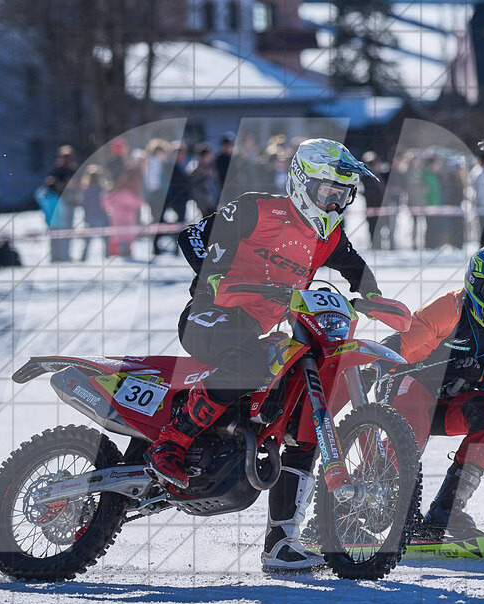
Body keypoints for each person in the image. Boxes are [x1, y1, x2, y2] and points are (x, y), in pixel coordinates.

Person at [151, 139, 407, 571]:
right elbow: (192, 236)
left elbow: (355, 267)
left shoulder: (327, 236)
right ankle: (169, 445)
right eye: (329, 191)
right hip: (210, 315)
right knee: (250, 361)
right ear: (302, 182)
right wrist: (214, 276)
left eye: (344, 194)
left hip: (256, 327)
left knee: (302, 416)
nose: (335, 201)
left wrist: (373, 296)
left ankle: (280, 542)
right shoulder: (258, 209)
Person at [372, 245, 484, 541]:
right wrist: (370, 368)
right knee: (414, 429)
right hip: (406, 381)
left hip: (447, 402)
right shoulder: (451, 308)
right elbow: (401, 345)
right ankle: (353, 507)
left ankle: (446, 513)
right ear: (474, 284)